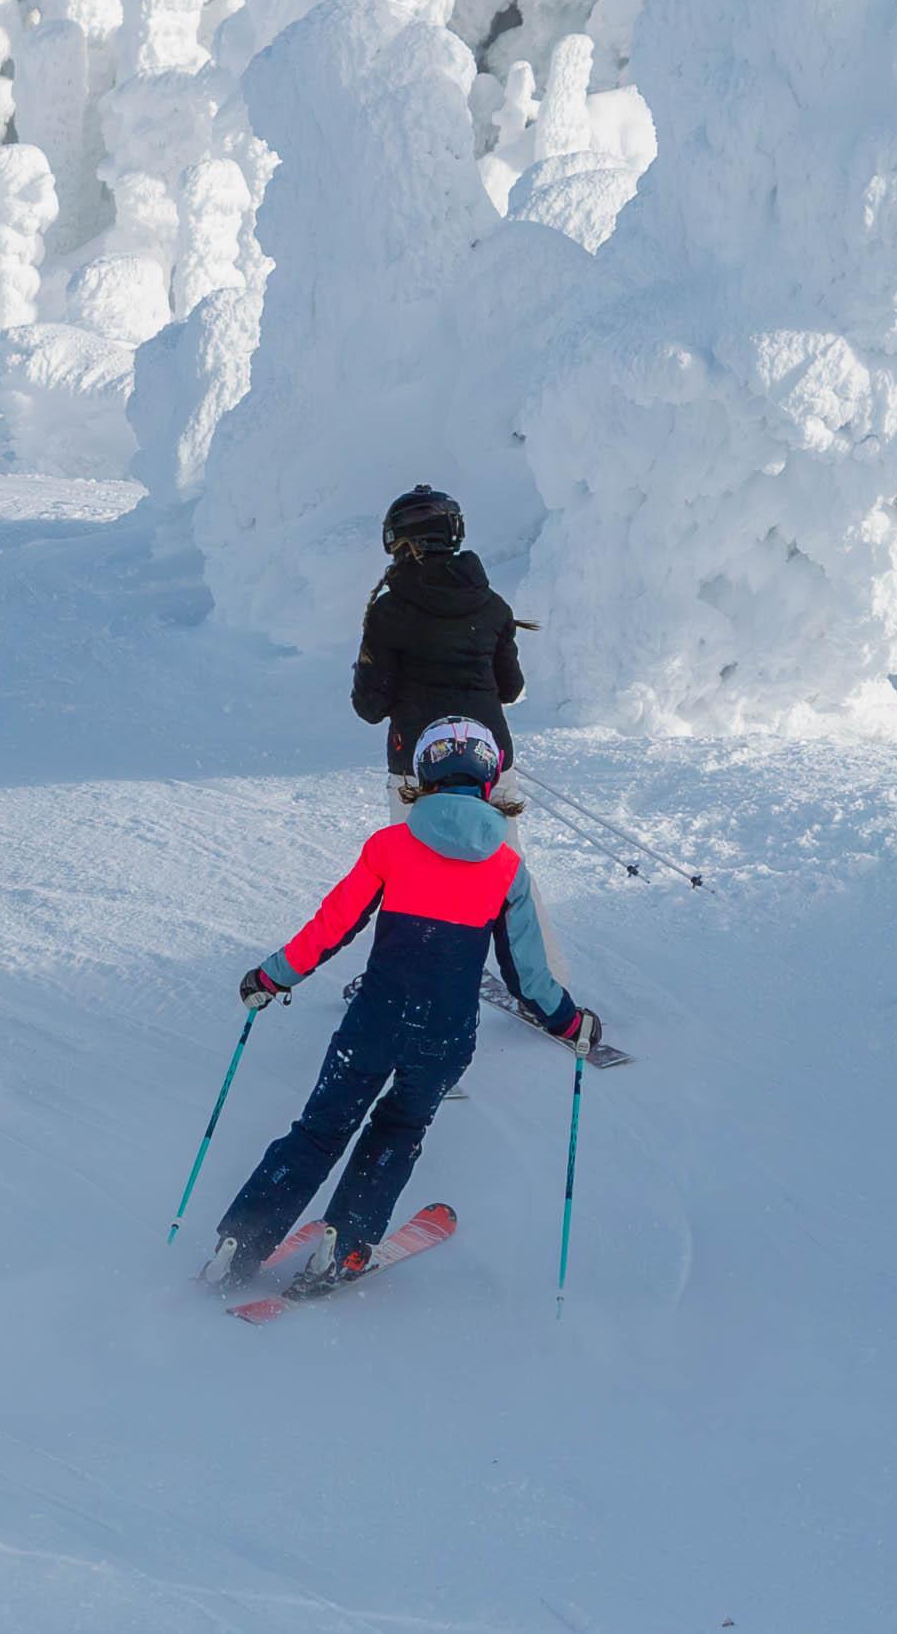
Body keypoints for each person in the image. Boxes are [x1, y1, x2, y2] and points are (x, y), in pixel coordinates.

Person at [206, 714, 600, 1294]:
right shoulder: (507, 869)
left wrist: (272, 976)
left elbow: (332, 925)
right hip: (444, 1037)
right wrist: (571, 1021)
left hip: (374, 1021)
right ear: (489, 781)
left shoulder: (391, 847)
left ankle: (240, 1242)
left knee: (318, 1131)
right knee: (398, 1128)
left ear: (421, 776)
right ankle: (343, 1245)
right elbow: (528, 975)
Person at [352, 486, 523, 791]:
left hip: (417, 764)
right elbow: (510, 689)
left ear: (396, 540)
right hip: (490, 759)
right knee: (499, 840)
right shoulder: (493, 605)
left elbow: (370, 707)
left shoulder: (389, 611)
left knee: (415, 841)